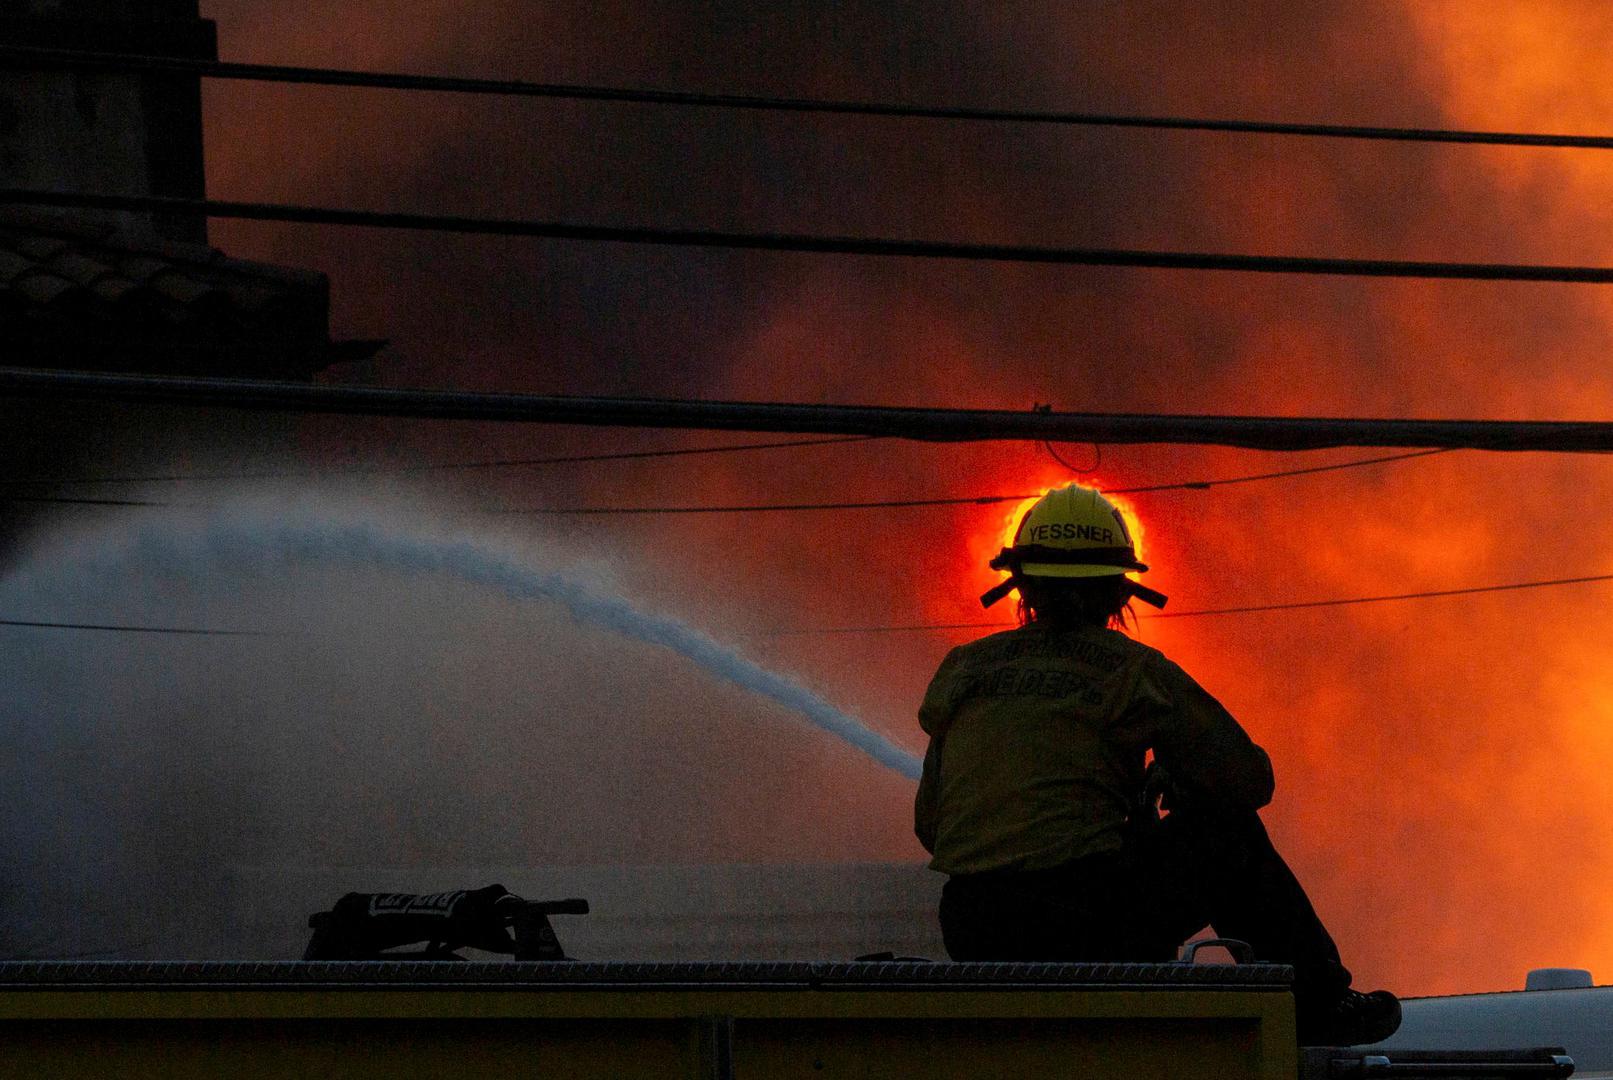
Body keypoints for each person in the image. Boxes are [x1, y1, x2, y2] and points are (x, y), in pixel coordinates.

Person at [914, 482, 1401, 1046]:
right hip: (1084, 927)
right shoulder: (1134, 671)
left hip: (974, 930)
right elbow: (1248, 780)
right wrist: (1183, 775)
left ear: (1019, 583)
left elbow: (932, 828)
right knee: (1227, 835)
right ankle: (1319, 1004)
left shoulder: (963, 671)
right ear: (1121, 587)